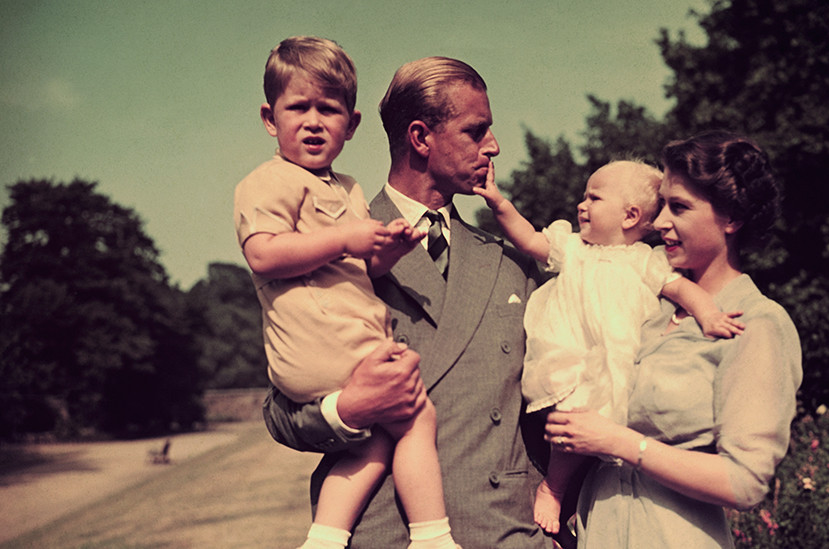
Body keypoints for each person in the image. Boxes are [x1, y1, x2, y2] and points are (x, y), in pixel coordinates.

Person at [262, 56, 551, 549]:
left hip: (504, 533)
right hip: (386, 535)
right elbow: (281, 412)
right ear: (420, 138)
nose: (494, 147)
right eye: (476, 131)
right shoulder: (322, 247)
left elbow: (553, 402)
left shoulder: (509, 262)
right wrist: (349, 409)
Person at [234, 37, 457, 549]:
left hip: (338, 345)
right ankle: (433, 537)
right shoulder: (266, 183)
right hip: (322, 344)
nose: (313, 122)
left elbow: (364, 263)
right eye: (299, 108)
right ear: (271, 118)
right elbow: (263, 254)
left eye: (329, 110)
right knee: (418, 415)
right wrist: (345, 236)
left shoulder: (347, 187)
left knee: (373, 441)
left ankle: (325, 538)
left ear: (351, 125)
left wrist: (389, 248)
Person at [542, 131, 803, 548]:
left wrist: (620, 442)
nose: (660, 221)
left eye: (679, 207)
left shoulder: (757, 323)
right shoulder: (642, 307)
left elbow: (746, 482)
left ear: (731, 219)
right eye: (661, 204)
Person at [474, 158, 745, 535]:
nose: (581, 205)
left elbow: (682, 289)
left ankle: (578, 507)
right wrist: (500, 204)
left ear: (630, 215)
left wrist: (709, 314)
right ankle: (553, 487)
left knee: (605, 433)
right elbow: (530, 239)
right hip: (568, 358)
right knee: (573, 421)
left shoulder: (644, 261)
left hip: (617, 364)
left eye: (594, 198)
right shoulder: (572, 249)